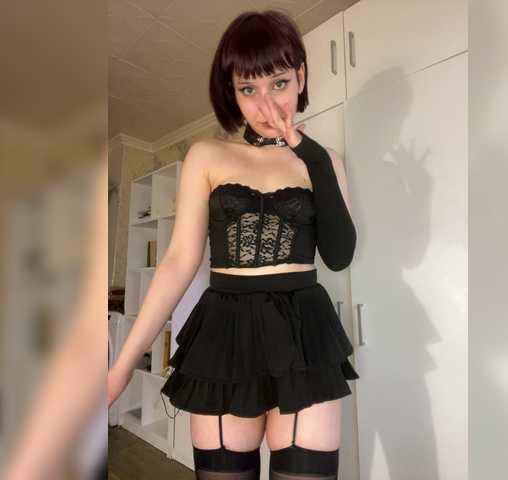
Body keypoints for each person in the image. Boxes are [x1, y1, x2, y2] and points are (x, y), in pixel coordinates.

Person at [108, 9, 358, 480]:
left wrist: (308, 152)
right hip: (226, 331)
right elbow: (179, 260)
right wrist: (120, 366)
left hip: (303, 332)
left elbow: (339, 255)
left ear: (301, 77)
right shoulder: (207, 155)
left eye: (279, 83)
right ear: (233, 92)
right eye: (248, 89)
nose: (267, 105)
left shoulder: (324, 161)